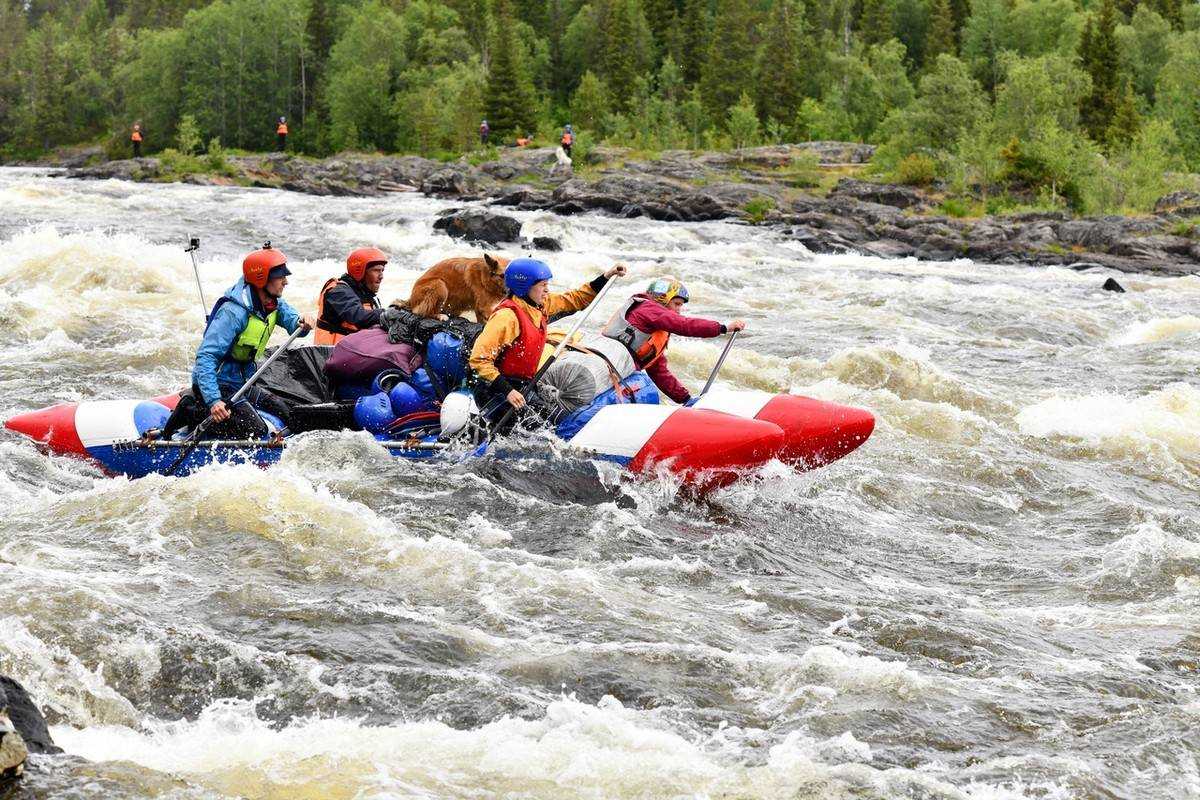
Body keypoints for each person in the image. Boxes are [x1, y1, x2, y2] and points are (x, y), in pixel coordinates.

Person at [161, 245, 314, 440]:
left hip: (242, 383)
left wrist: (303, 322)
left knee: (287, 413)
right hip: (219, 384)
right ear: (262, 280)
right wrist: (214, 401)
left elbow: (294, 324)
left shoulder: (273, 303)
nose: (285, 282)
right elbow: (206, 357)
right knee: (255, 431)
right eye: (280, 277)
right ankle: (191, 409)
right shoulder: (233, 313)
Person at [469, 258, 626, 426]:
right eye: (542, 285)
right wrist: (508, 391)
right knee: (530, 429)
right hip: (495, 389)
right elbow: (479, 360)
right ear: (525, 286)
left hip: (523, 385)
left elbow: (576, 299)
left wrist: (606, 276)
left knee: (554, 423)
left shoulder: (540, 305)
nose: (547, 290)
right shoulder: (506, 317)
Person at [601, 277, 745, 405]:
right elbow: (684, 325)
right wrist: (723, 328)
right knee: (644, 389)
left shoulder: (652, 330)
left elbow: (658, 371)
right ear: (662, 298)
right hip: (606, 368)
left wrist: (685, 399)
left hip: (617, 369)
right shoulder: (648, 309)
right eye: (676, 304)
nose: (679, 310)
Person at [314, 247, 386, 345]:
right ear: (360, 271)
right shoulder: (337, 292)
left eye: (382, 270)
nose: (381, 276)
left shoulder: (367, 294)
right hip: (330, 355)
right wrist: (389, 314)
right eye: (376, 270)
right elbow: (358, 316)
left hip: (353, 352)